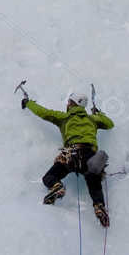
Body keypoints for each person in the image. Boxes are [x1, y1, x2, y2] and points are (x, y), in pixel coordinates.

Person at [22, 89, 113, 226]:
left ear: (72, 104)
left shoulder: (64, 117)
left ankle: (56, 186)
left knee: (49, 177)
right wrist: (98, 113)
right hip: (91, 156)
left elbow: (43, 112)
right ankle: (99, 205)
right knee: (94, 182)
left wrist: (28, 103)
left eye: (69, 102)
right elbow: (109, 123)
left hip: (72, 154)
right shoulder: (92, 119)